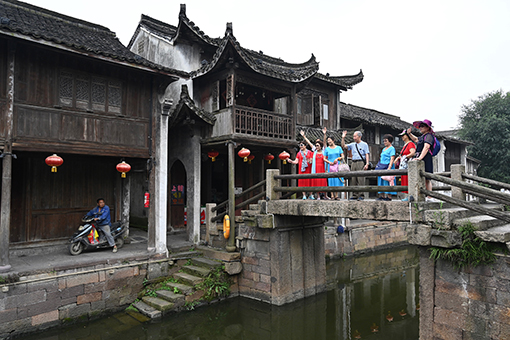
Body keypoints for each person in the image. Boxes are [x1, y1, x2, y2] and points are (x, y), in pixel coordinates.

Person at [407, 119, 436, 201]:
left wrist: (420, 158)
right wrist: (409, 134)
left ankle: (430, 197)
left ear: (428, 128)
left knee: (427, 178)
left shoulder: (429, 136)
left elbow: (426, 147)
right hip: (420, 158)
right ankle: (425, 195)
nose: (420, 128)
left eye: (422, 126)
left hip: (426, 158)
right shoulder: (423, 136)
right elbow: (416, 140)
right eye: (420, 126)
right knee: (421, 177)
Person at [341, 130, 370, 200]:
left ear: (359, 137)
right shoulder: (352, 144)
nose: (354, 138)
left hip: (360, 162)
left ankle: (361, 195)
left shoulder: (364, 144)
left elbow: (367, 154)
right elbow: (344, 146)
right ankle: (354, 195)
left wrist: (367, 163)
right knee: (353, 179)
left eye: (355, 136)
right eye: (353, 136)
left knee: (360, 179)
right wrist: (343, 138)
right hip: (353, 162)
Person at [300, 130, 328, 200]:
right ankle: (318, 196)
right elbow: (309, 143)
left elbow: (324, 142)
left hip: (322, 167)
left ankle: (325, 195)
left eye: (318, 145)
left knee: (324, 181)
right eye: (316, 145)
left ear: (321, 146)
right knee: (317, 181)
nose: (316, 146)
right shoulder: (314, 151)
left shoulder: (324, 151)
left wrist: (324, 134)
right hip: (316, 168)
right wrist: (304, 136)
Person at [395, 129, 416, 201]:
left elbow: (412, 152)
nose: (402, 137)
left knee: (407, 179)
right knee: (404, 179)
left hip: (407, 164)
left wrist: (406, 157)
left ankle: (409, 196)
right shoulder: (405, 145)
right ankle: (406, 196)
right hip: (403, 165)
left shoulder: (410, 144)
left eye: (403, 136)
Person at [324, 134, 345, 200]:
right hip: (330, 165)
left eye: (330, 141)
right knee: (331, 180)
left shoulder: (339, 148)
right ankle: (332, 195)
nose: (329, 142)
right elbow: (324, 158)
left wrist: (338, 159)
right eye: (328, 141)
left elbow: (343, 156)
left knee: (337, 180)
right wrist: (329, 162)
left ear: (333, 140)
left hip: (337, 165)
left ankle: (336, 195)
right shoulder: (327, 149)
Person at [376, 134, 397, 201]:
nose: (384, 142)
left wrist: (389, 167)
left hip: (388, 166)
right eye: (384, 141)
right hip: (382, 166)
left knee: (388, 180)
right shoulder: (383, 149)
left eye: (386, 141)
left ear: (390, 141)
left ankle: (389, 196)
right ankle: (382, 195)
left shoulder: (392, 148)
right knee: (381, 180)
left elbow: (392, 158)